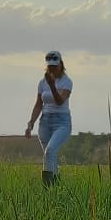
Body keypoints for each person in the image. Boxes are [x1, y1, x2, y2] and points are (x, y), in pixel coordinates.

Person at [24, 49, 72, 186]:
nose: (52, 69)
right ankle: (55, 188)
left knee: (50, 151)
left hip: (62, 121)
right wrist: (31, 123)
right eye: (49, 66)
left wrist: (52, 85)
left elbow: (60, 101)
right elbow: (39, 104)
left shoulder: (67, 82)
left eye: (55, 66)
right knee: (49, 156)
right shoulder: (42, 82)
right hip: (45, 121)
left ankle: (47, 188)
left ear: (61, 65)